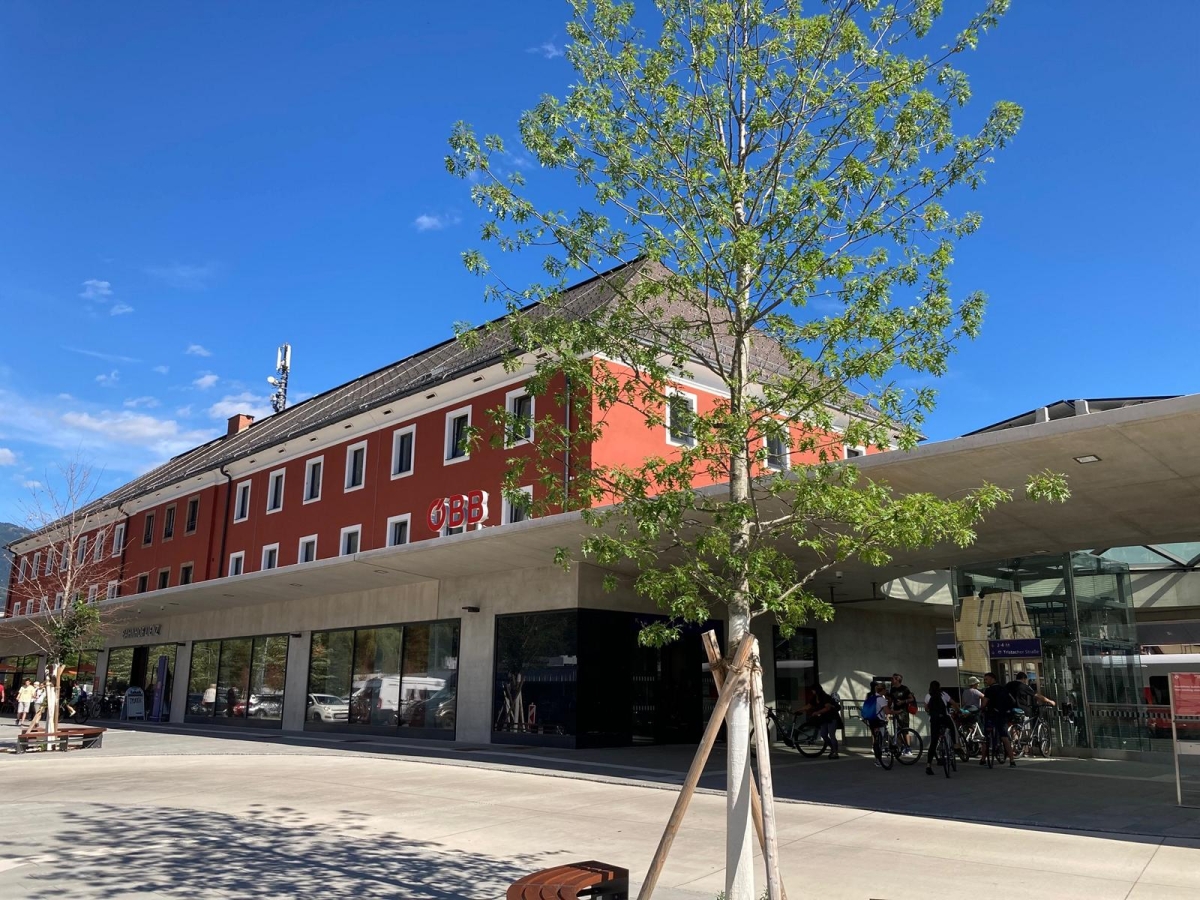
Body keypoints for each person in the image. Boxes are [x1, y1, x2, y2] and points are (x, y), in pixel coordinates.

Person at [981, 671, 1017, 767]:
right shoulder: (1003, 688)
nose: (985, 681)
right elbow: (1012, 701)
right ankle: (1012, 760)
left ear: (992, 679)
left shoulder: (989, 690)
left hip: (991, 715)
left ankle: (983, 759)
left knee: (986, 737)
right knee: (1004, 737)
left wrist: (982, 709)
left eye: (986, 679)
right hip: (1002, 715)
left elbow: (984, 703)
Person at [924, 680, 958, 775]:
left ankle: (928, 766)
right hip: (944, 718)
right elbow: (953, 703)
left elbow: (926, 708)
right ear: (939, 687)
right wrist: (958, 710)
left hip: (934, 720)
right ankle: (956, 745)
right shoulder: (943, 694)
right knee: (953, 727)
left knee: (933, 742)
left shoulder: (928, 696)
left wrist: (931, 712)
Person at [801, 685, 841, 759]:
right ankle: (833, 748)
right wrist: (799, 710)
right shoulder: (815, 698)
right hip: (824, 718)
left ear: (817, 690)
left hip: (832, 717)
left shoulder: (825, 697)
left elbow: (827, 708)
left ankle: (835, 752)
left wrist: (817, 712)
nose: (812, 691)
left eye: (813, 690)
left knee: (832, 734)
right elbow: (809, 706)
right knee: (823, 734)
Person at [861, 681, 891, 767]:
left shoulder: (869, 695)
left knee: (875, 738)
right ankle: (879, 758)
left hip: (871, 718)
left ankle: (876, 755)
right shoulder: (880, 697)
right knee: (880, 739)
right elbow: (885, 709)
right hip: (878, 719)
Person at [889, 673, 915, 757]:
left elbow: (911, 698)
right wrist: (888, 709)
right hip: (895, 711)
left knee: (905, 730)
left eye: (893, 679)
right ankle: (903, 745)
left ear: (897, 680)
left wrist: (903, 701)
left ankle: (908, 748)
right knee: (897, 731)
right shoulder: (892, 689)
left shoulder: (904, 689)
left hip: (904, 712)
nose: (891, 680)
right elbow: (890, 700)